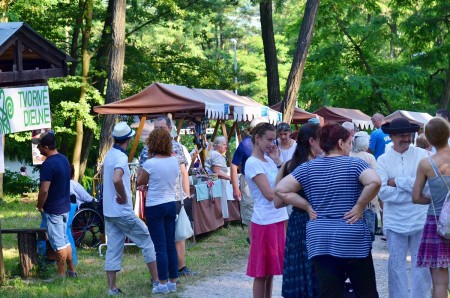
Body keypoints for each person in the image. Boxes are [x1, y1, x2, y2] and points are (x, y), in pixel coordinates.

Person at [275, 123, 380, 297]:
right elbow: (374, 181)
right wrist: (359, 206)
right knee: (365, 291)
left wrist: (307, 206)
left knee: (328, 292)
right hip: (351, 238)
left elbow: (281, 190)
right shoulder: (355, 164)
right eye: (348, 143)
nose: (349, 147)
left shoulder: (307, 168)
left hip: (320, 238)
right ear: (340, 143)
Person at [376, 117, 432, 297]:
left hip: (419, 218)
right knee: (396, 265)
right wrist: (414, 192)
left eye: (409, 135)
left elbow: (428, 187)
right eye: (402, 135)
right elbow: (383, 192)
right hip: (395, 221)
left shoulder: (422, 155)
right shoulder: (383, 160)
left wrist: (397, 182)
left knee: (421, 264)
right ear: (392, 136)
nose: (407, 138)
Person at [102, 122, 159, 295]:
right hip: (122, 211)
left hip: (109, 211)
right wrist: (124, 196)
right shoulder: (120, 157)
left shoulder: (109, 155)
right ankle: (157, 281)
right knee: (147, 240)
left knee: (113, 247)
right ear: (128, 139)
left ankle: (112, 288)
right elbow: (117, 179)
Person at [137, 116, 196, 277]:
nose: (158, 131)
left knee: (179, 234)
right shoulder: (147, 150)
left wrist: (186, 194)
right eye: (156, 129)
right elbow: (141, 173)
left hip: (177, 197)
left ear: (170, 129)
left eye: (161, 128)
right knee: (162, 239)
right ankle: (164, 273)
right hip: (158, 198)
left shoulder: (177, 147)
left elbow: (184, 172)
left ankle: (180, 266)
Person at [273, 123, 321, 298]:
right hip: (317, 222)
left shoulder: (288, 166)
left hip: (297, 223)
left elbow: (277, 202)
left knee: (298, 269)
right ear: (311, 141)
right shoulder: (320, 165)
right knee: (318, 270)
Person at [244, 122, 288, 298]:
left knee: (270, 271)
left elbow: (285, 180)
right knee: (261, 272)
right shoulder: (253, 163)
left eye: (274, 139)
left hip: (277, 217)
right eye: (269, 139)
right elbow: (270, 194)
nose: (272, 143)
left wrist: (278, 161)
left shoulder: (269, 160)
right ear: (257, 139)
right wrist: (289, 195)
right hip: (264, 220)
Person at [137, 129, 179, 294]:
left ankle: (161, 283)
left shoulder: (150, 163)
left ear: (152, 144)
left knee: (159, 246)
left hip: (155, 205)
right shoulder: (174, 161)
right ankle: (172, 281)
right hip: (170, 202)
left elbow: (140, 182)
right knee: (170, 245)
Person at [412, 117, 450, 298]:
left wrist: (433, 200)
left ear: (428, 137)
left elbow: (416, 197)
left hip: (437, 223)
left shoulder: (426, 164)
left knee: (439, 282)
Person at [34, 131, 77, 278]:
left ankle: (60, 275)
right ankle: (72, 270)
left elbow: (44, 190)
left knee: (58, 243)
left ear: (46, 147)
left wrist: (40, 205)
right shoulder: (64, 159)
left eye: (39, 146)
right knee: (64, 240)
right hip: (65, 207)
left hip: (54, 210)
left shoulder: (48, 164)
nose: (38, 149)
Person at [230, 118, 265, 241]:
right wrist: (235, 187)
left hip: (265, 180)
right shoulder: (245, 144)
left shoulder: (270, 143)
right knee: (250, 210)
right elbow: (234, 165)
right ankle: (253, 240)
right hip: (248, 181)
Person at [204, 136, 233, 220]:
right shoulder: (216, 155)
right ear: (217, 146)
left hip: (213, 181)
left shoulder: (211, 152)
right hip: (217, 182)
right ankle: (221, 220)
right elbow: (216, 171)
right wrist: (229, 177)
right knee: (220, 201)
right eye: (224, 144)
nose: (226, 146)